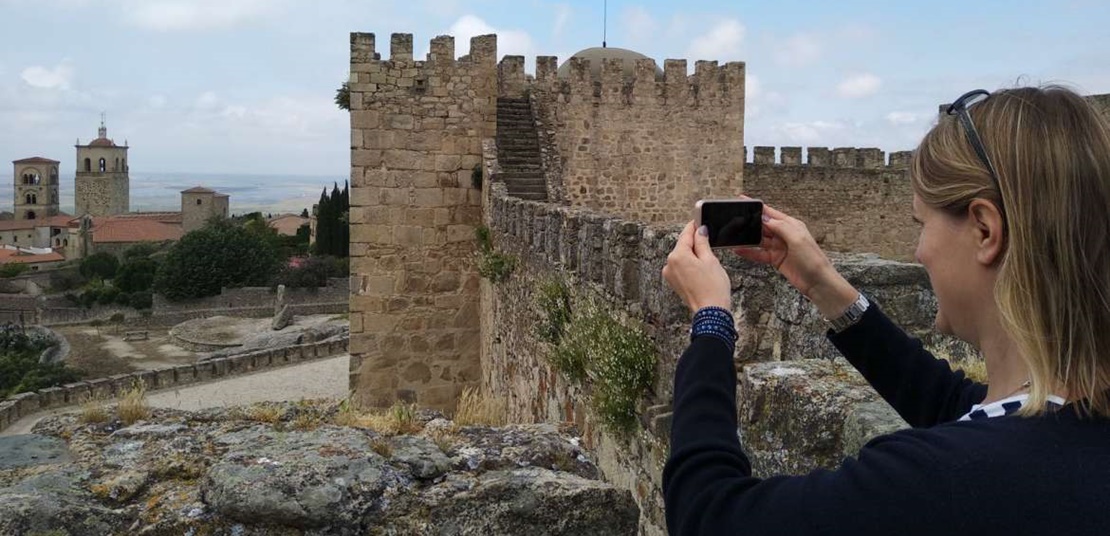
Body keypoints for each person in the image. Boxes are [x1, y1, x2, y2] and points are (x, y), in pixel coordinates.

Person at [660, 85, 1110, 535]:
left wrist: (712, 320)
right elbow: (955, 404)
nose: (918, 252)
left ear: (984, 231)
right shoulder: (1074, 418)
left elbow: (708, 516)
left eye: (921, 224)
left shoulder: (939, 480)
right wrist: (822, 284)